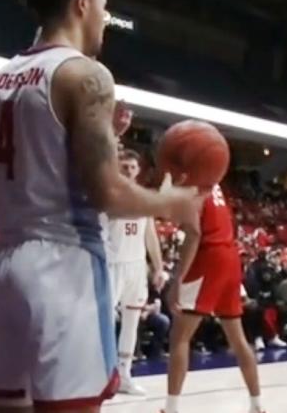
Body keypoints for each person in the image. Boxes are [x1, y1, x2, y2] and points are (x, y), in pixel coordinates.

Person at [0, 0, 201, 412]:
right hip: (64, 263)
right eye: (104, 4)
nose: (105, 17)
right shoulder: (87, 75)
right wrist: (172, 202)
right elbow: (108, 194)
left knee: (7, 407)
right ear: (82, 2)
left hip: (2, 264)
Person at [164, 185, 265, 413]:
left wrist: (178, 279)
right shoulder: (214, 183)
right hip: (230, 257)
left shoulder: (193, 186)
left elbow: (194, 234)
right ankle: (257, 405)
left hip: (208, 257)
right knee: (237, 338)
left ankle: (171, 408)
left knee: (179, 337)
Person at [104, 149, 167, 396]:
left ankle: (125, 375)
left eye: (132, 167)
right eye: (124, 166)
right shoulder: (108, 193)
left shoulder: (143, 198)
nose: (128, 171)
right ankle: (102, 374)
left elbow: (149, 234)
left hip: (137, 265)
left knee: (132, 322)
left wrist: (159, 267)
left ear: (138, 170)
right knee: (106, 322)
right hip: (112, 263)